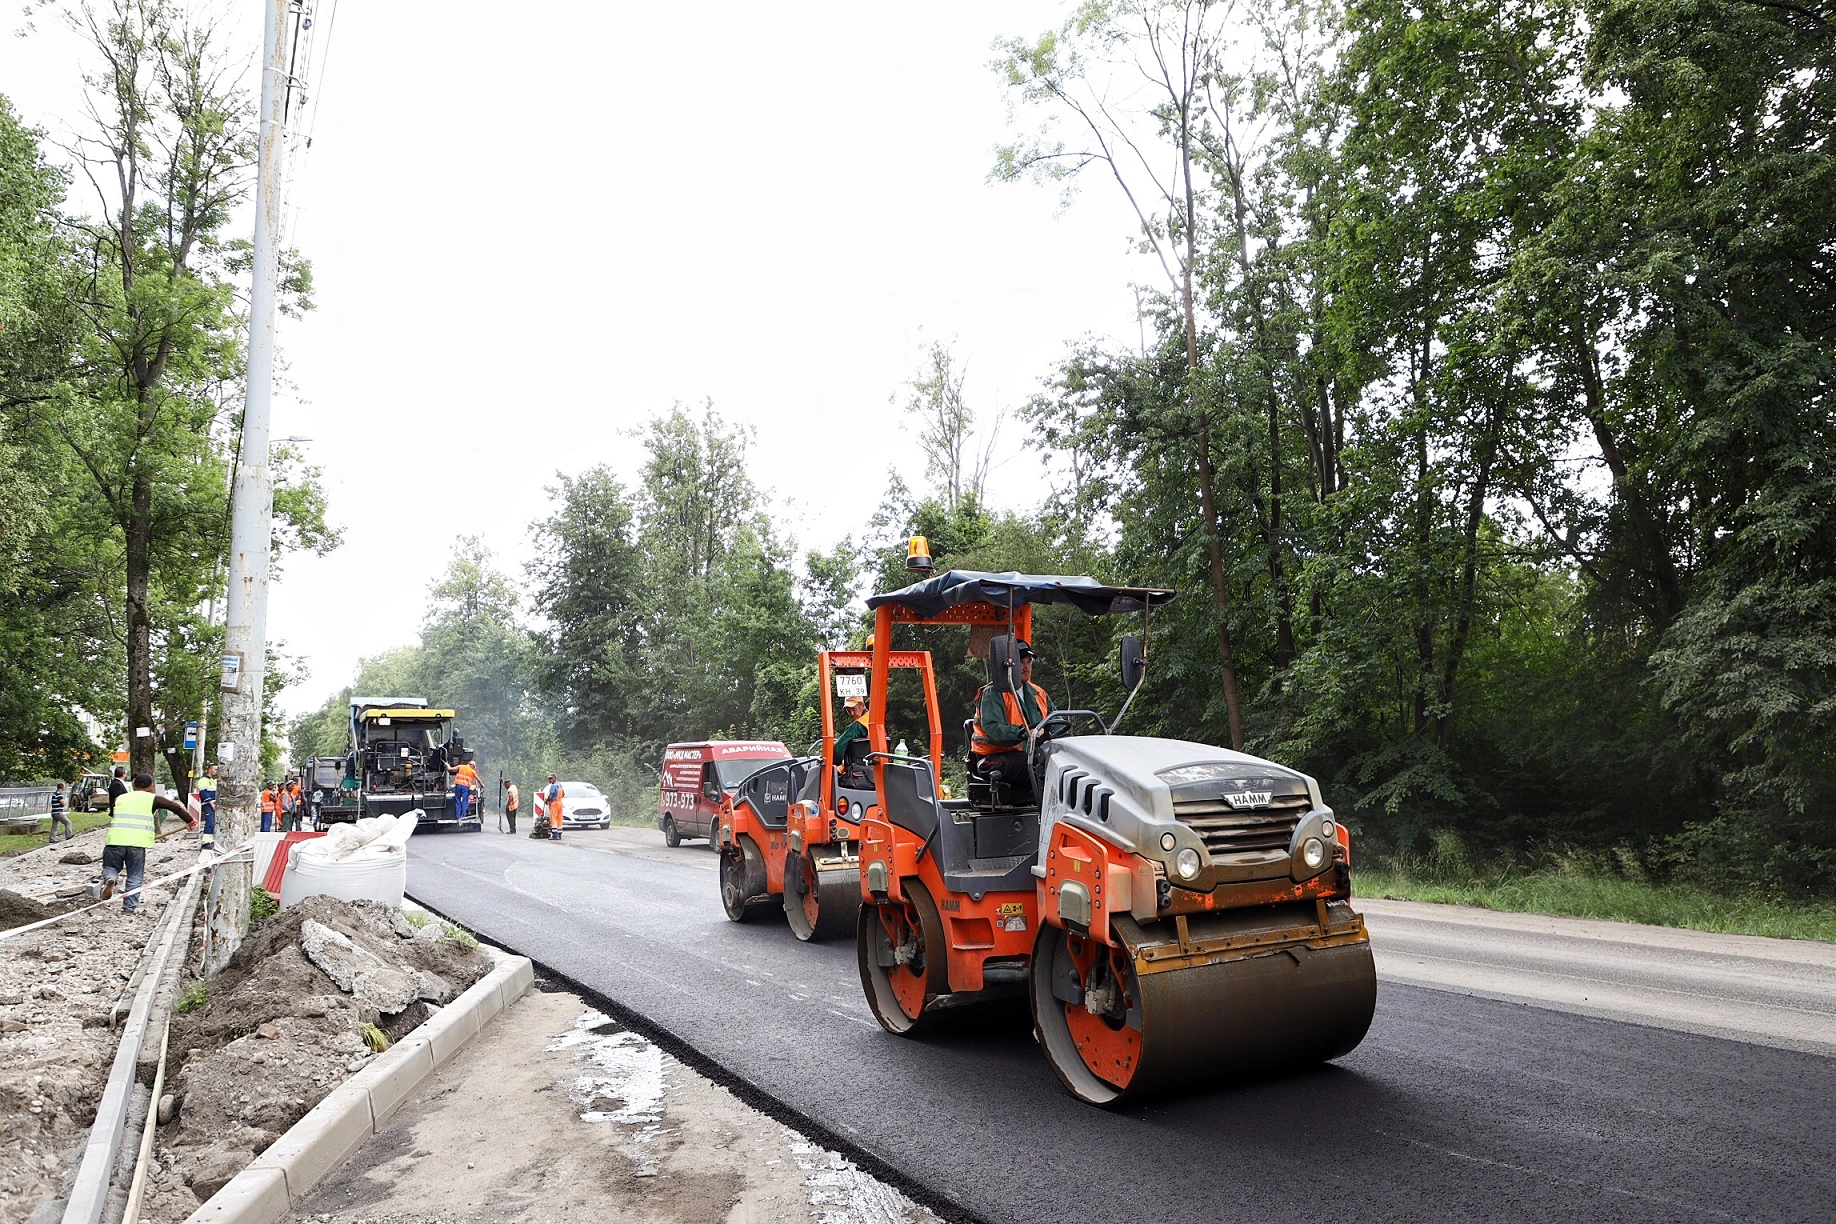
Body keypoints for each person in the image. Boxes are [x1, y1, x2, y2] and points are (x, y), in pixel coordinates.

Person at [969, 640, 1054, 797]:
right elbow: (993, 730)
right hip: (992, 758)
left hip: (1029, 755)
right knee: (1035, 766)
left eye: (1029, 662)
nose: (1026, 667)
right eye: (1021, 662)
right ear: (1008, 666)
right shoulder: (993, 694)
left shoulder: (1039, 693)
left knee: (1062, 763)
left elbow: (1056, 723)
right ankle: (1047, 806)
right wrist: (1023, 732)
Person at [103, 773, 195, 913]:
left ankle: (111, 878)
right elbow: (175, 807)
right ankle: (129, 907)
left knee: (110, 866)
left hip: (115, 840)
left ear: (133, 784)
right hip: (137, 843)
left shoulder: (120, 798)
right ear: (151, 786)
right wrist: (190, 820)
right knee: (135, 875)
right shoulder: (153, 799)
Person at [833, 694, 872, 789]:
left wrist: (833, 762)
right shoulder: (876, 720)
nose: (851, 713)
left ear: (862, 705)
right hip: (872, 769)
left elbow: (838, 749)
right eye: (848, 710)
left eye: (853, 709)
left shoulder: (857, 726)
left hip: (858, 772)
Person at [450, 757, 480, 823]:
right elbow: (478, 779)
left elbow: (450, 769)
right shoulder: (472, 771)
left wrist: (447, 765)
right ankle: (463, 816)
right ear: (472, 765)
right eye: (474, 767)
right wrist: (482, 785)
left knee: (457, 800)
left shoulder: (461, 766)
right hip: (465, 787)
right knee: (465, 801)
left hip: (458, 786)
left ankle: (458, 817)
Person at [196, 764, 218, 849]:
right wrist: (211, 804)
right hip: (208, 805)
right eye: (215, 769)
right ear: (209, 770)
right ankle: (206, 842)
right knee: (210, 822)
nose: (217, 771)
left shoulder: (214, 781)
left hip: (215, 804)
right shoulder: (203, 780)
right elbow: (204, 793)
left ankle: (211, 840)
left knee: (214, 823)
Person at [542, 775, 565, 841]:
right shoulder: (560, 785)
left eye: (551, 778)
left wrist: (547, 801)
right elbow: (563, 794)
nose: (550, 780)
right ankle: (559, 834)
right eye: (549, 779)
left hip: (554, 804)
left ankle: (555, 835)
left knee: (554, 819)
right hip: (560, 803)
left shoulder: (553, 786)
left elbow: (550, 796)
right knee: (559, 819)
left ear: (555, 778)